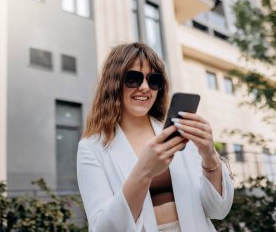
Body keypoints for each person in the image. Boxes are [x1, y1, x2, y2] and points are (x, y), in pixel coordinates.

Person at [77, 42, 234, 232]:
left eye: (154, 80)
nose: (145, 87)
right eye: (133, 78)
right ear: (114, 83)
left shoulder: (179, 132)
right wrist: (144, 171)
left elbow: (218, 210)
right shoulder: (91, 148)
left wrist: (209, 155)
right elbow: (103, 228)